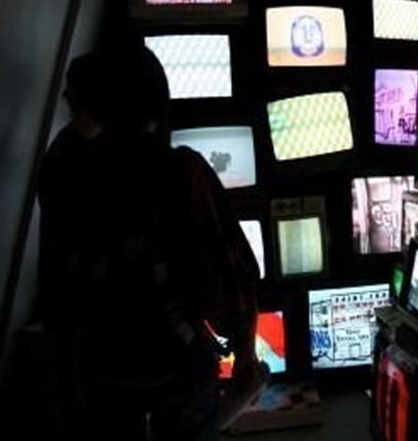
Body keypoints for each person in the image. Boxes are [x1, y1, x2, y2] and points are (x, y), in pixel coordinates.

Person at [37, 40, 266, 441]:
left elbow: (57, 285)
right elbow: (233, 274)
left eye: (76, 103)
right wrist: (244, 355)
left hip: (92, 379)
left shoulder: (63, 165)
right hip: (176, 376)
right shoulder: (181, 172)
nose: (69, 111)